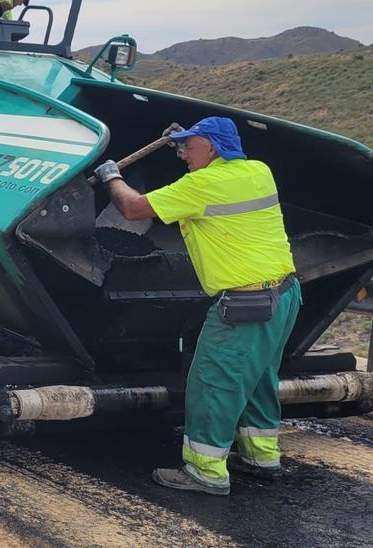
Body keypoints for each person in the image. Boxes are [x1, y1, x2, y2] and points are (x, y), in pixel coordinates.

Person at [94, 117, 299, 496]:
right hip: (285, 294)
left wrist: (111, 176)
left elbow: (134, 209)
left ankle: (205, 471)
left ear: (214, 148)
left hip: (245, 303)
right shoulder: (258, 171)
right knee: (256, 380)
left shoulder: (203, 184)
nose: (184, 154)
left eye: (191, 146)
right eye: (181, 146)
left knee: (213, 384)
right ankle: (261, 456)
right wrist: (179, 140)